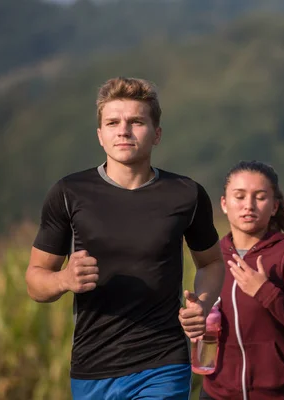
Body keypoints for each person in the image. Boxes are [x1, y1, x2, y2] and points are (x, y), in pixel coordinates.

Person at [25, 77, 225, 400]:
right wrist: (64, 279)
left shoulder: (187, 195)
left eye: (136, 121)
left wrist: (202, 304)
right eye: (113, 122)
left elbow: (212, 262)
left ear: (156, 134)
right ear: (100, 135)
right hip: (93, 365)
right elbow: (35, 281)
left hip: (163, 362)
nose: (124, 130)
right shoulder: (68, 193)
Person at [199, 160, 284, 400]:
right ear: (224, 204)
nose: (249, 205)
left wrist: (266, 292)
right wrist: (194, 322)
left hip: (280, 394)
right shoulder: (212, 257)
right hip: (216, 393)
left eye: (260, 197)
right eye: (239, 196)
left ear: (274, 206)